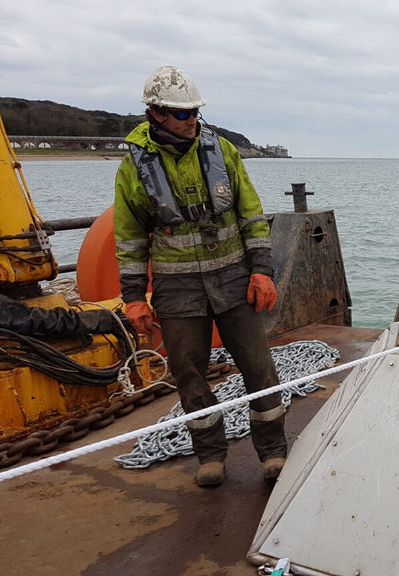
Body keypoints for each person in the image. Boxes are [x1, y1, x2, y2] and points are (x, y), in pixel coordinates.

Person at [114, 65, 287, 488]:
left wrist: (262, 271)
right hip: (177, 291)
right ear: (155, 114)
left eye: (194, 112)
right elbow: (130, 237)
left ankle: (274, 452)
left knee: (259, 367)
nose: (191, 120)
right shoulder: (132, 169)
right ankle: (210, 456)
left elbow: (250, 213)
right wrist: (134, 297)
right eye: (181, 114)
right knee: (188, 373)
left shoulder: (222, 152)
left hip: (232, 279)